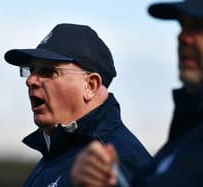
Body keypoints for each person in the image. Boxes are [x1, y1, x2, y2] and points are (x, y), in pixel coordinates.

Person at [71, 0, 203, 187]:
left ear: (92, 84)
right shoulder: (186, 132)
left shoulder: (122, 149)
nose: (183, 37)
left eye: (198, 25)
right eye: (182, 25)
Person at [4, 23, 151, 187]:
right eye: (31, 70)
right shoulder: (59, 152)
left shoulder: (109, 162)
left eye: (48, 71)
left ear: (90, 85)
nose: (30, 80)